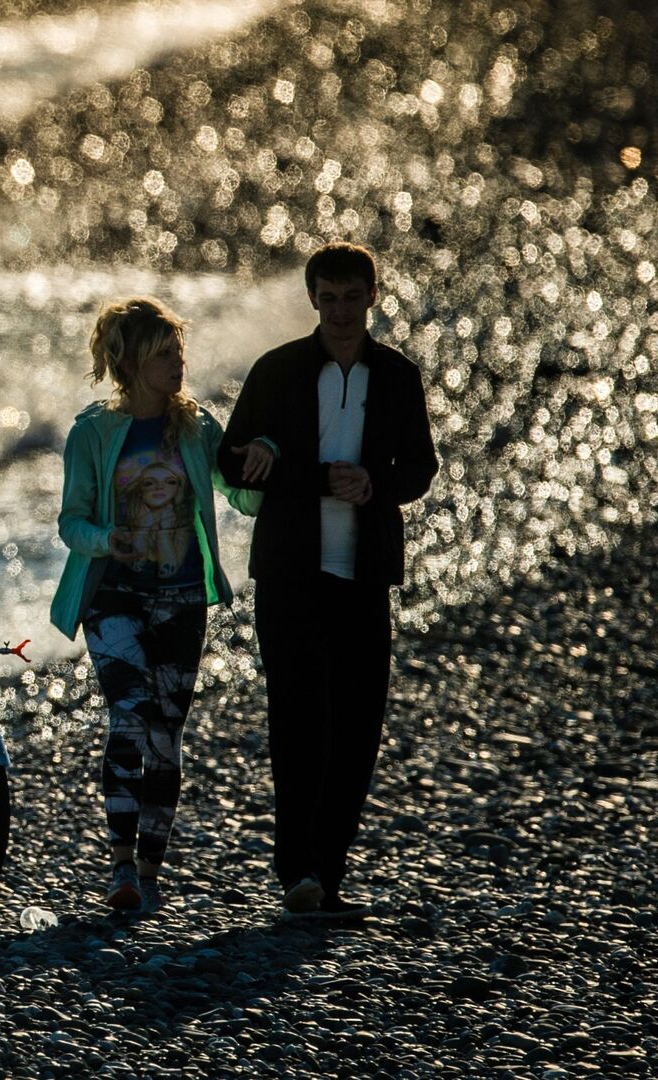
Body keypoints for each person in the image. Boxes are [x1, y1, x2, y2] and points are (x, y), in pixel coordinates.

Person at [217, 242, 438, 920]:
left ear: (374, 296)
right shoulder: (279, 370)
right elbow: (229, 458)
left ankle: (328, 872)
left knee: (358, 725)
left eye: (352, 296)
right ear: (313, 298)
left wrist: (376, 484)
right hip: (289, 571)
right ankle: (298, 874)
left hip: (364, 571)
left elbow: (421, 468)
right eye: (329, 296)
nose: (340, 310)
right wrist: (290, 469)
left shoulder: (398, 376)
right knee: (297, 721)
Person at [50, 297, 261, 912]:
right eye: (164, 354)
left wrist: (269, 456)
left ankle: (150, 867)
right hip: (113, 595)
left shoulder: (197, 428)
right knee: (128, 719)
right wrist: (104, 539)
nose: (178, 364)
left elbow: (242, 494)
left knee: (167, 734)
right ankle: (120, 866)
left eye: (179, 351)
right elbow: (71, 522)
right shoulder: (92, 433)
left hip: (183, 596)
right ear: (133, 362)